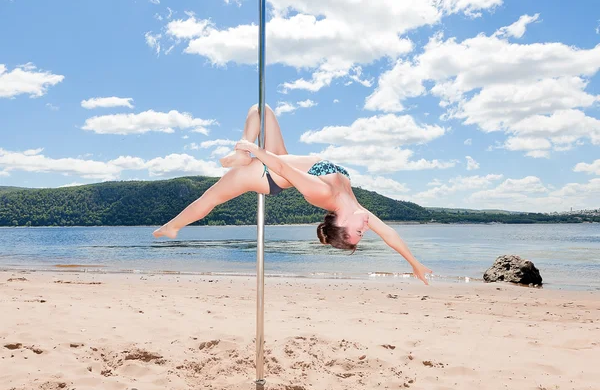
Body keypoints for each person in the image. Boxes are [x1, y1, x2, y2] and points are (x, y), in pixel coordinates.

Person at [153, 104, 433, 285]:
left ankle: (173, 227)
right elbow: (390, 235)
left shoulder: (322, 193)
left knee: (211, 198)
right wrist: (415, 263)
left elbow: (284, 168)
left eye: (358, 233)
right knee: (261, 109)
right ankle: (238, 157)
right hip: (277, 161)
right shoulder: (354, 205)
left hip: (266, 174)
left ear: (341, 224)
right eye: (362, 234)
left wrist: (255, 151)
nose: (365, 230)